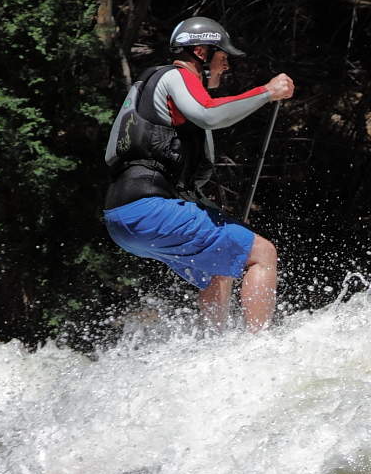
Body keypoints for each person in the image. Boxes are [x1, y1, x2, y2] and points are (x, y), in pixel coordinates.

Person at [103, 16, 295, 331]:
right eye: (223, 58)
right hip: (150, 210)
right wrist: (267, 92)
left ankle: (213, 350)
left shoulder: (151, 92)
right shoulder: (176, 76)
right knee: (262, 253)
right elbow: (208, 113)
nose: (226, 67)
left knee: (220, 266)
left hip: (120, 217)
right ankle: (260, 348)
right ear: (202, 53)